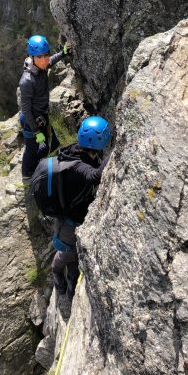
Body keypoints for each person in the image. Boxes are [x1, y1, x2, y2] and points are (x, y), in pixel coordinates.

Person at [51, 116, 111, 300]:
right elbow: (94, 177)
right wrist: (114, 153)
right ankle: (56, 272)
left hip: (72, 214)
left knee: (73, 256)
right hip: (69, 221)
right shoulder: (78, 165)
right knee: (68, 253)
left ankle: (70, 289)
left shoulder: (75, 150)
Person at [19, 34, 71, 180]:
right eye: (40, 56)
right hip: (31, 121)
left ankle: (38, 161)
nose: (44, 59)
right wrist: (36, 131)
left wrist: (63, 53)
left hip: (42, 115)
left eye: (46, 55)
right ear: (32, 57)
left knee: (53, 142)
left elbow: (51, 61)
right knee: (31, 149)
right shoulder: (26, 81)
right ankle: (27, 174)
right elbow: (26, 109)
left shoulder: (41, 66)